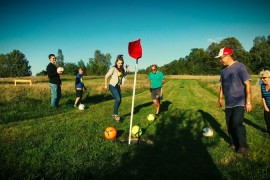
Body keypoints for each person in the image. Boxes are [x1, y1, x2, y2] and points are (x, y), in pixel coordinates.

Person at [216, 47, 252, 155]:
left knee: (237, 123)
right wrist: (220, 98)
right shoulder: (223, 70)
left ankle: (243, 146)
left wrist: (248, 102)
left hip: (240, 101)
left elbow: (248, 84)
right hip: (229, 103)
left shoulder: (240, 67)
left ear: (227, 56)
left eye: (221, 58)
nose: (220, 60)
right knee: (229, 124)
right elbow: (222, 85)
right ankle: (233, 143)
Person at [105, 55, 129, 121]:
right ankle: (115, 115)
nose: (120, 64)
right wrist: (105, 85)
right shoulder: (113, 68)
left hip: (118, 86)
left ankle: (114, 114)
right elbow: (106, 76)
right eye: (119, 63)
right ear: (116, 62)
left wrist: (127, 70)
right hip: (112, 86)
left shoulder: (122, 69)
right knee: (118, 99)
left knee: (119, 100)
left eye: (121, 63)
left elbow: (123, 77)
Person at [259, 70, 270, 135]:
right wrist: (265, 107)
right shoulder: (262, 86)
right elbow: (263, 97)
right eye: (261, 78)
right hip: (267, 106)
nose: (262, 79)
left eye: (264, 78)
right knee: (268, 121)